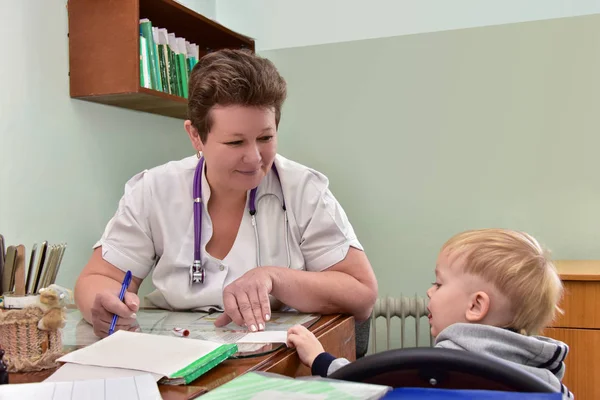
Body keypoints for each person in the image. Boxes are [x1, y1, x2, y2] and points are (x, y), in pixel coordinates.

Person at [74, 49, 378, 338]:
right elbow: (98, 279)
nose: (254, 157)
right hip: (175, 354)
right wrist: (101, 305)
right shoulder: (153, 190)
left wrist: (274, 278)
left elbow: (361, 294)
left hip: (279, 361)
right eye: (235, 143)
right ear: (196, 136)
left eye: (265, 137)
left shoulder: (303, 190)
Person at [287, 229, 573, 398]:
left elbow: (364, 384)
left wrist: (319, 359)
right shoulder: (548, 383)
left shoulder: (443, 372)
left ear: (476, 306)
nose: (429, 291)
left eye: (439, 283)